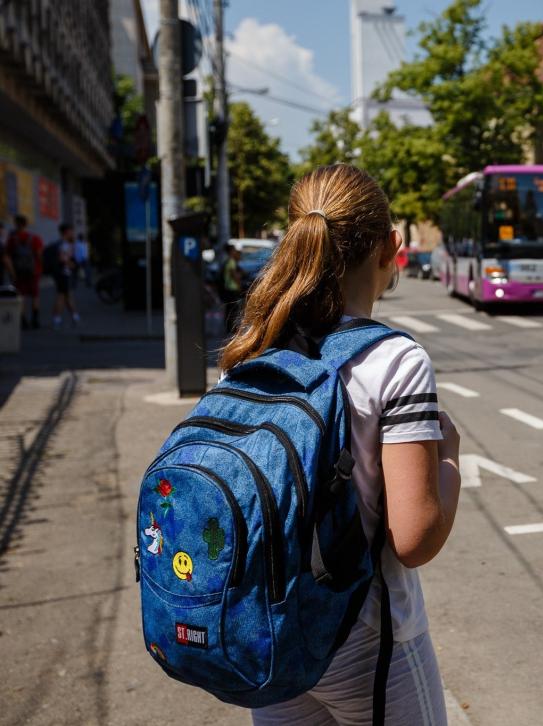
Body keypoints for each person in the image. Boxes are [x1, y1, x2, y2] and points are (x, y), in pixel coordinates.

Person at [219, 164, 461, 725]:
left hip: (269, 631)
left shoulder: (252, 348)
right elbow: (415, 538)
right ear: (391, 249)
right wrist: (448, 458)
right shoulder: (395, 361)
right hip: (366, 637)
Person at [5, 214, 44, 329]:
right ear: (26, 224)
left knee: (21, 295)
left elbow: (7, 256)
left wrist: (12, 272)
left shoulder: (12, 240)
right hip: (34, 271)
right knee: (35, 295)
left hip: (18, 272)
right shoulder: (35, 238)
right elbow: (39, 255)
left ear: (16, 224)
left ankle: (23, 320)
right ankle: (35, 319)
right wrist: (41, 267)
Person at [48, 223, 79, 328]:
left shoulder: (61, 243)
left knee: (66, 296)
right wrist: (71, 264)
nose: (72, 233)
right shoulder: (64, 244)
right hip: (63, 273)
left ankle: (74, 316)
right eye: (71, 231)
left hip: (61, 273)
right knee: (62, 296)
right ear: (66, 232)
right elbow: (63, 259)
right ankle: (57, 318)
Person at [221, 244, 243, 333]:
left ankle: (229, 327)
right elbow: (234, 276)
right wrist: (239, 286)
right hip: (232, 289)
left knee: (230, 309)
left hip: (228, 288)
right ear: (230, 251)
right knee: (233, 309)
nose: (235, 252)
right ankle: (232, 328)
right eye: (234, 250)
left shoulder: (228, 261)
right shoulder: (231, 262)